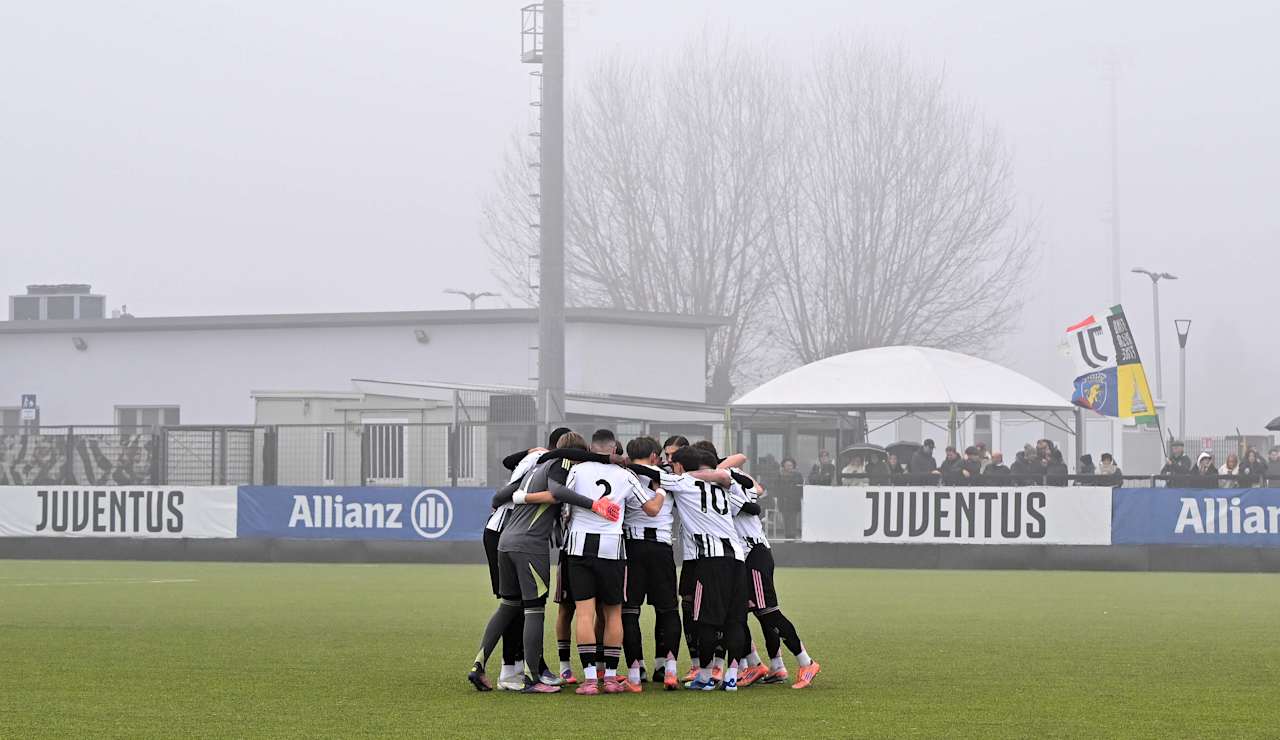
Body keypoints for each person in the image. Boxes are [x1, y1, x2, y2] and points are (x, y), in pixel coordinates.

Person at [468, 431, 623, 693]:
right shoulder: (561, 464)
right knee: (534, 610)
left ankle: (478, 665)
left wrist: (523, 498)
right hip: (530, 546)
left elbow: (499, 497)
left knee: (508, 606)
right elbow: (557, 491)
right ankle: (532, 677)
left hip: (506, 542)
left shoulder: (534, 468)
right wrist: (594, 504)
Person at [562, 429, 657, 695]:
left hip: (579, 546)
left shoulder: (578, 471)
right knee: (613, 612)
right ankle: (613, 678)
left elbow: (565, 510)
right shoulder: (625, 475)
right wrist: (659, 492)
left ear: (592, 447)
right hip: (612, 549)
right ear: (615, 449)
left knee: (584, 612)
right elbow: (649, 509)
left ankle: (591, 679)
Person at [661, 446, 757, 691]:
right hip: (736, 559)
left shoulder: (681, 482)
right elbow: (747, 488)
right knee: (735, 620)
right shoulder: (726, 485)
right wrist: (720, 473)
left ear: (681, 466)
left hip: (710, 560)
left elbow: (651, 474)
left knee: (705, 621)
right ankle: (732, 676)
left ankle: (704, 676)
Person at [726, 459, 821, 690]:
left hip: (755, 554)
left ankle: (806, 662)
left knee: (768, 612)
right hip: (747, 557)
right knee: (746, 612)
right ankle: (774, 666)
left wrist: (724, 472)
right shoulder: (728, 482)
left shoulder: (727, 486)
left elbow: (753, 505)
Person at [619, 435, 681, 691]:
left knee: (630, 611)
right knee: (667, 610)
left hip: (631, 548)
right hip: (661, 548)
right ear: (655, 456)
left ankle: (635, 672)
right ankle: (668, 669)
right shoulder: (667, 478)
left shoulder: (622, 475)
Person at [775, 458, 804, 540]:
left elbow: (800, 488)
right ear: (783, 466)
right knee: (786, 521)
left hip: (794, 502)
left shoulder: (797, 475)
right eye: (787, 465)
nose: (789, 467)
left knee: (793, 521)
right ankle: (787, 538)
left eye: (790, 465)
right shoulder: (780, 476)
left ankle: (792, 538)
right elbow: (777, 489)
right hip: (784, 502)